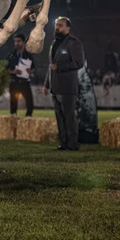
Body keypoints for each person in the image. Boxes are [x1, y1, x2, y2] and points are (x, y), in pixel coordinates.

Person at [43, 17, 84, 151]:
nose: (57, 28)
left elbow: (79, 63)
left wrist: (60, 67)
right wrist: (47, 84)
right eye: (56, 25)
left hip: (67, 87)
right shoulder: (54, 43)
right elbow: (51, 66)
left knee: (69, 117)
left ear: (68, 28)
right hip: (55, 87)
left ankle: (72, 144)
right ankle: (63, 143)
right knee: (59, 117)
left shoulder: (74, 43)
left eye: (60, 25)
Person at [7, 34, 35, 117]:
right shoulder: (11, 55)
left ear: (23, 42)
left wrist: (30, 71)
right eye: (15, 41)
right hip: (14, 82)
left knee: (30, 104)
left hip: (25, 82)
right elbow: (5, 69)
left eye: (19, 41)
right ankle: (13, 123)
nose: (17, 43)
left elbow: (33, 68)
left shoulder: (29, 55)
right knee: (13, 105)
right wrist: (13, 71)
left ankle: (27, 121)